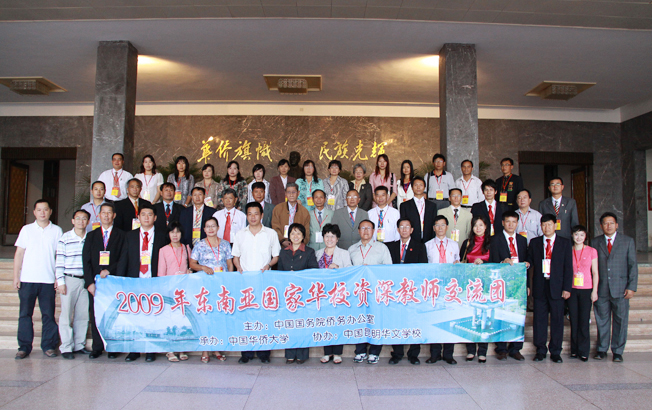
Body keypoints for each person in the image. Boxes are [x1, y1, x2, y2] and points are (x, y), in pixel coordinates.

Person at [13, 199, 63, 360]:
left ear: (50, 212)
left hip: (48, 280)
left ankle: (49, 346)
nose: (42, 212)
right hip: (27, 279)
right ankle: (24, 347)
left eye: (45, 209)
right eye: (39, 210)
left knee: (48, 315)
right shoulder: (26, 230)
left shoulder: (57, 231)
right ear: (34, 212)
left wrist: (58, 277)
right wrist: (16, 276)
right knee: (25, 314)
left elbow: (60, 256)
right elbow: (19, 254)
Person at [232, 202, 281, 364]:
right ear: (246, 216)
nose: (253, 217)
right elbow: (235, 256)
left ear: (262, 215)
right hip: (245, 282)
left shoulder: (271, 233)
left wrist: (269, 265)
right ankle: (246, 353)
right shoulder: (240, 234)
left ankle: (263, 353)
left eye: (256, 214)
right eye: (250, 214)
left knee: (263, 317)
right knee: (246, 317)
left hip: (264, 281)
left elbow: (276, 256)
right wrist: (238, 267)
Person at [118, 204, 166, 362]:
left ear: (155, 217)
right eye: (143, 214)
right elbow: (124, 259)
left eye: (150, 214)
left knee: (153, 315)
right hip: (135, 280)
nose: (146, 217)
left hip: (154, 280)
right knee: (134, 315)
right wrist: (121, 280)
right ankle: (134, 350)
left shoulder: (162, 235)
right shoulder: (130, 236)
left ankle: (150, 349)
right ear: (138, 217)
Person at [82, 202, 127, 359]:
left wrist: (111, 270)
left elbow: (123, 259)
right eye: (104, 213)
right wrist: (89, 282)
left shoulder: (122, 235)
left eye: (109, 213)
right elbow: (86, 260)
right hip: (96, 282)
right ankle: (97, 347)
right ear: (99, 215)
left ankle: (113, 347)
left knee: (114, 313)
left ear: (114, 215)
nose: (106, 215)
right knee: (96, 314)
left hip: (113, 281)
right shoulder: (91, 236)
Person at [527, 214, 573, 363]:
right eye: (544, 225)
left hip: (558, 287)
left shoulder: (564, 243)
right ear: (541, 226)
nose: (546, 228)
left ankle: (555, 351)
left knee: (557, 320)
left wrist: (567, 288)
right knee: (539, 320)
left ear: (555, 225)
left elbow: (568, 267)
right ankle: (540, 350)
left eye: (549, 224)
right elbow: (529, 263)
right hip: (540, 286)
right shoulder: (534, 243)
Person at [593, 212, 638, 362]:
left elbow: (632, 265)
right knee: (602, 320)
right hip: (601, 289)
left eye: (611, 223)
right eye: (605, 223)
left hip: (621, 288)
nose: (609, 226)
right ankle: (601, 349)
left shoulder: (627, 241)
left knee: (621, 320)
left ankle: (618, 351)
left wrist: (632, 287)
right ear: (601, 226)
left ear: (617, 225)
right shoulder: (595, 242)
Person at [189, 217, 234, 364]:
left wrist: (229, 280)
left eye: (213, 226)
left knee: (219, 317)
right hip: (205, 287)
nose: (210, 229)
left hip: (221, 287)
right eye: (208, 226)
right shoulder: (200, 245)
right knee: (206, 317)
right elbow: (192, 263)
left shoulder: (225, 244)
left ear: (218, 227)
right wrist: (203, 267)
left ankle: (217, 348)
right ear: (204, 229)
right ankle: (205, 350)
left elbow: (229, 263)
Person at [349, 220, 392, 364]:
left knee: (375, 321)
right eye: (363, 228)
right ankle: (360, 351)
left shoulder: (382, 248)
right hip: (358, 292)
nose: (366, 231)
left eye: (369, 228)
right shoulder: (352, 249)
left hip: (376, 291)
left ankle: (374, 352)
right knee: (359, 321)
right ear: (358, 231)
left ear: (373, 231)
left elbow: (389, 269)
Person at [489, 210, 530, 361]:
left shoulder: (522, 240)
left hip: (519, 283)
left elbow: (527, 262)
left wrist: (527, 281)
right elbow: (492, 261)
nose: (511, 225)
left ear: (517, 223)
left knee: (518, 314)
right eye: (508, 222)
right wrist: (502, 262)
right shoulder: (495, 239)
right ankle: (501, 348)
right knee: (501, 314)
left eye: (514, 222)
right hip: (502, 282)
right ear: (502, 223)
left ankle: (515, 348)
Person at [386, 218, 427, 365]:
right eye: (401, 227)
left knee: (414, 321)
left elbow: (423, 268)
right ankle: (397, 353)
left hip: (413, 290)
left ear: (412, 230)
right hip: (396, 290)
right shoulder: (390, 247)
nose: (404, 229)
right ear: (397, 230)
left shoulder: (419, 246)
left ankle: (413, 354)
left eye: (407, 227)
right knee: (396, 321)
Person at [279, 223, 319, 364]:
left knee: (302, 324)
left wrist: (298, 275)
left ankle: (302, 354)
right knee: (289, 324)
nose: (295, 236)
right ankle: (290, 354)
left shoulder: (309, 252)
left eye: (298, 233)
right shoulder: (283, 252)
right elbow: (279, 272)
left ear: (303, 236)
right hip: (288, 293)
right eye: (293, 233)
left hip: (303, 293)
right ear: (289, 236)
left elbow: (314, 270)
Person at [55, 209, 91, 360]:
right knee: (66, 315)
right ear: (72, 221)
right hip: (69, 279)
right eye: (78, 218)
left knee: (82, 315)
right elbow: (59, 262)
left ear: (88, 221)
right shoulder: (65, 238)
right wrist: (60, 281)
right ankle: (66, 347)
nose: (81, 221)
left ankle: (79, 345)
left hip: (85, 280)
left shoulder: (90, 238)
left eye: (84, 219)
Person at [315, 224, 352, 364]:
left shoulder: (344, 253)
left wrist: (338, 268)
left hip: (338, 294)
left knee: (337, 323)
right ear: (323, 238)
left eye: (332, 236)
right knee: (325, 323)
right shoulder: (317, 253)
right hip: (322, 294)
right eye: (327, 236)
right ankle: (326, 353)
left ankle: (337, 353)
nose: (329, 239)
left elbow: (350, 271)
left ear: (337, 239)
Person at [424, 215, 459, 365]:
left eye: (443, 225)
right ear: (433, 228)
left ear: (447, 227)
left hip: (450, 287)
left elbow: (458, 263)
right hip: (434, 286)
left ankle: (448, 354)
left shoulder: (454, 245)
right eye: (437, 225)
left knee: (450, 318)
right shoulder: (427, 245)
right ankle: (435, 354)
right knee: (435, 318)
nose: (440, 228)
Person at [157, 221, 192, 362]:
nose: (175, 235)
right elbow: (161, 273)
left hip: (183, 290)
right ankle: (170, 350)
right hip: (169, 289)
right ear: (168, 234)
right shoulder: (163, 250)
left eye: (177, 232)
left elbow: (190, 266)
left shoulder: (186, 248)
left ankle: (181, 348)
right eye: (172, 232)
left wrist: (189, 272)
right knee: (170, 319)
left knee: (182, 318)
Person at [460, 215, 492, 363]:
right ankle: (471, 350)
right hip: (470, 284)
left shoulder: (492, 243)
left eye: (481, 225)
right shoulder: (467, 243)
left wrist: (484, 262)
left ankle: (482, 351)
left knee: (484, 315)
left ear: (486, 227)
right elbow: (462, 262)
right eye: (475, 225)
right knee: (470, 315)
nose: (477, 228)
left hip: (486, 285)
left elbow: (496, 261)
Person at [568, 224, 599, 362]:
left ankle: (584, 350)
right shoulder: (568, 251)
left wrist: (595, 291)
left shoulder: (592, 251)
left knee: (584, 320)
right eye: (576, 234)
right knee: (574, 320)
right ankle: (574, 350)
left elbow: (595, 272)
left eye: (581, 234)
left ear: (585, 236)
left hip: (586, 289)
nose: (578, 237)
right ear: (572, 236)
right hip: (572, 289)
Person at [272, 182, 311, 248]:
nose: (291, 195)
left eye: (294, 192)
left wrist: (298, 243)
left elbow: (306, 231)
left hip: (299, 246)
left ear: (298, 193)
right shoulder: (278, 209)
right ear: (285, 193)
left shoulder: (304, 211)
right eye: (289, 192)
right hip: (281, 245)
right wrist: (282, 241)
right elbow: (275, 227)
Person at [400, 177, 437, 243]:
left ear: (424, 187)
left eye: (421, 185)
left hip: (428, 239)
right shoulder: (404, 206)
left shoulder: (432, 205)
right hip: (412, 239)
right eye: (416, 185)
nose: (418, 187)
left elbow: (434, 223)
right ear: (412, 187)